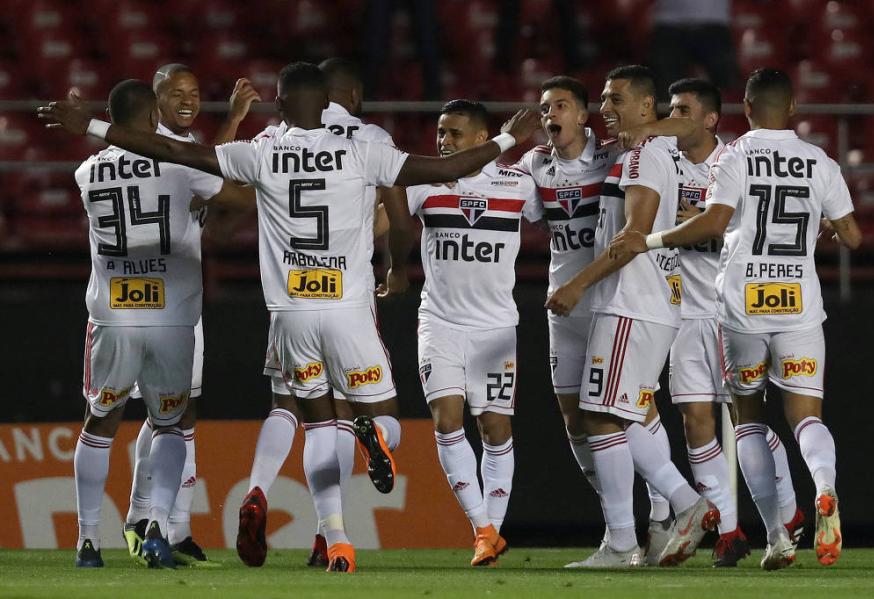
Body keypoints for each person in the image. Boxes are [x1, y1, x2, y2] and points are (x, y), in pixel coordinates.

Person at [39, 61, 542, 573]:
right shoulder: (363, 148)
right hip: (346, 308)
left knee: (316, 424)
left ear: (278, 106)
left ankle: (337, 540)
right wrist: (506, 141)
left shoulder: (262, 151)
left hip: (289, 317)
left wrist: (95, 129)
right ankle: (378, 441)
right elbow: (443, 170)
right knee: (382, 414)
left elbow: (173, 150)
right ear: (326, 105)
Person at [609, 68, 862, 570]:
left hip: (742, 307)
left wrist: (654, 238)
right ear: (791, 108)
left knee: (747, 420)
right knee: (806, 416)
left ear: (743, 109)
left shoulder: (735, 156)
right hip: (798, 304)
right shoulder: (820, 160)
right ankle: (824, 488)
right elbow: (853, 238)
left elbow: (716, 222)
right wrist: (829, 224)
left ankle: (777, 535)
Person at [545, 65, 720, 569]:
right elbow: (687, 130)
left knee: (601, 416)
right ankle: (649, 524)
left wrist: (577, 284)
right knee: (614, 415)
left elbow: (633, 237)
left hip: (631, 303)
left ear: (647, 106)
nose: (605, 107)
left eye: (616, 99)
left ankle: (647, 528)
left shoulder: (644, 155)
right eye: (602, 98)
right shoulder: (648, 150)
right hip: (645, 304)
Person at [67, 80, 247, 569]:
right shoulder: (180, 163)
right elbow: (235, 198)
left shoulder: (86, 172)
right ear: (153, 120)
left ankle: (87, 541)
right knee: (171, 425)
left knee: (100, 423)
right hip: (171, 316)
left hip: (112, 314)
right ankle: (157, 529)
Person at [245, 57, 413, 568]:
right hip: (349, 300)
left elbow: (231, 189)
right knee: (367, 417)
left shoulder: (276, 138)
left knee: (295, 409)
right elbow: (399, 220)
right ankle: (333, 523)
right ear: (354, 96)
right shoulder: (372, 140)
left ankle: (316, 525)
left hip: (292, 301)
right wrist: (394, 267)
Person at [123, 63, 259, 568]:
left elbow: (207, 168)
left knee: (174, 414)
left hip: (175, 299)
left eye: (194, 91)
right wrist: (276, 185)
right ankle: (153, 521)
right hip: (159, 302)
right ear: (153, 99)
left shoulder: (179, 147)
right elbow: (218, 179)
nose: (187, 99)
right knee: (173, 416)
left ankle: (159, 522)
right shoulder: (160, 149)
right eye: (175, 92)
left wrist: (232, 122)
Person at [408, 99, 542, 566]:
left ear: (483, 138)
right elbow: (380, 216)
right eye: (440, 133)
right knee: (447, 421)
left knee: (494, 428)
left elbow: (566, 219)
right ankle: (482, 529)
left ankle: (492, 533)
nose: (444, 141)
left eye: (455, 134)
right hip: (439, 323)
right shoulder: (422, 182)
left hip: (496, 329)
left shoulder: (518, 183)